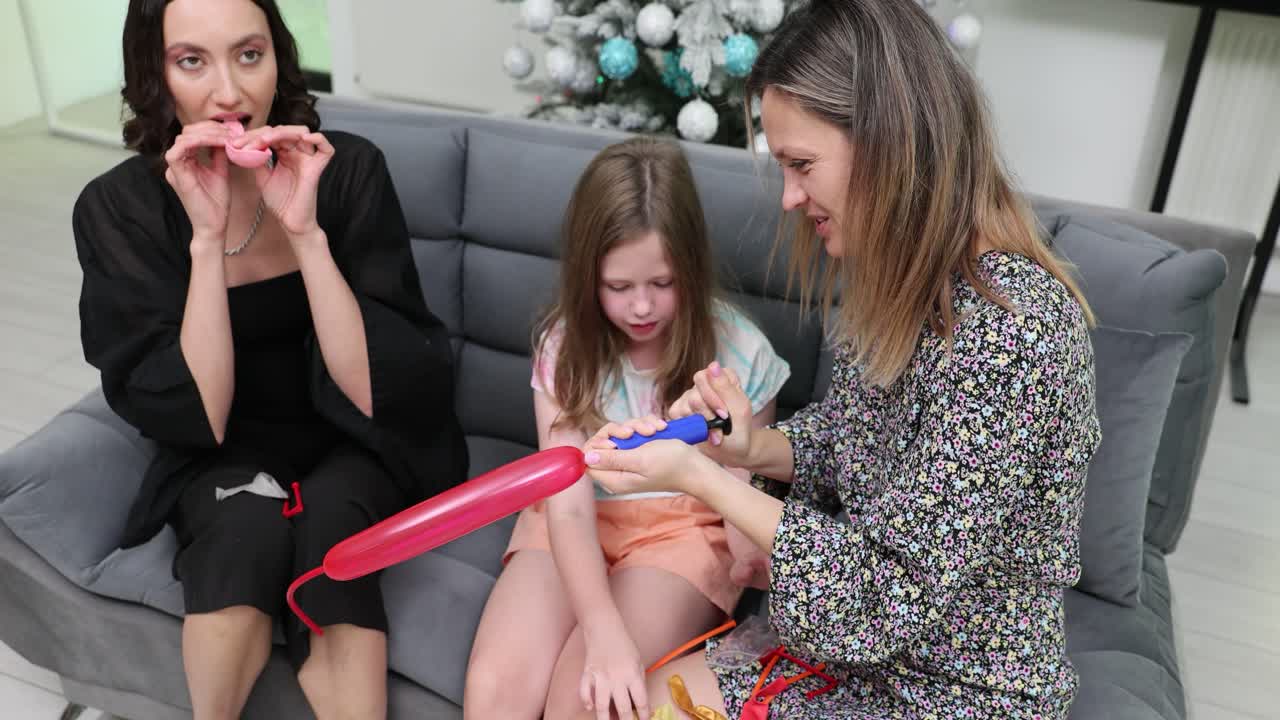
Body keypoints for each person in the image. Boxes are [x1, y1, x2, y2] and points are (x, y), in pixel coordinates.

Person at [580, 1, 1102, 718]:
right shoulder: (909, 286)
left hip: (950, 696)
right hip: (846, 662)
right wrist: (750, 446)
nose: (792, 197)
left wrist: (702, 478)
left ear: (890, 142)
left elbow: (881, 596)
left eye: (801, 165)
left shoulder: (1014, 336)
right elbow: (852, 442)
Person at [71, 0, 467, 717]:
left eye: (249, 55)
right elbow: (200, 411)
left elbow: (373, 390)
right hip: (223, 445)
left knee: (335, 538)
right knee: (241, 532)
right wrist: (203, 239)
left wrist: (306, 234)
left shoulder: (345, 173)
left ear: (278, 59)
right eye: (193, 61)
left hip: (354, 438)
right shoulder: (117, 208)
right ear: (154, 75)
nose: (230, 93)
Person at [463, 137, 791, 720]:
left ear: (689, 267)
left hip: (682, 531)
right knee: (493, 694)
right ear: (589, 278)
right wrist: (602, 628)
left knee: (583, 703)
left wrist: (748, 554)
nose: (642, 307)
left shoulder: (741, 352)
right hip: (572, 515)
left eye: (662, 284)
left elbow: (744, 480)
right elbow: (565, 506)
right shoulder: (564, 346)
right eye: (619, 288)